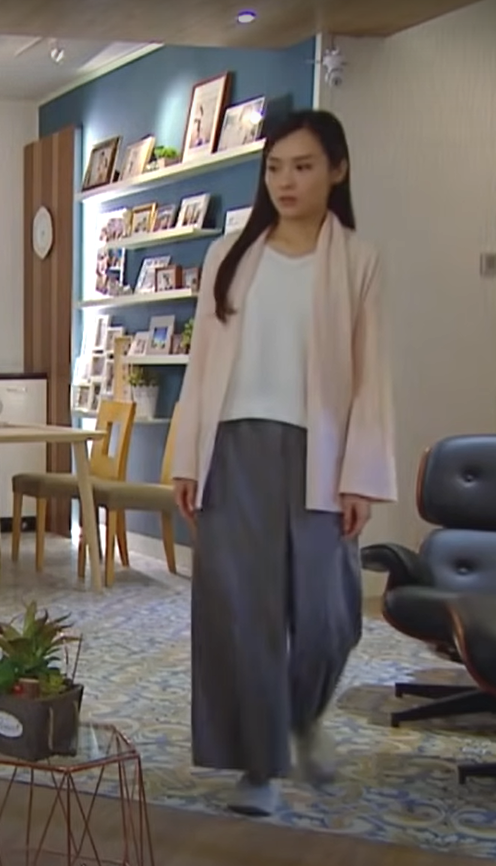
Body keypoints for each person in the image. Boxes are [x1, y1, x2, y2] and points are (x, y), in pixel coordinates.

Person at [170, 110, 396, 817]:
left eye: (302, 166)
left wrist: (361, 475)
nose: (286, 181)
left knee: (330, 615)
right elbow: (199, 367)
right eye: (274, 168)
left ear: (337, 170)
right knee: (244, 615)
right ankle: (258, 768)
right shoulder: (230, 255)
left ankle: (300, 718)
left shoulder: (357, 260)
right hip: (232, 447)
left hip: (319, 454)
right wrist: (186, 459)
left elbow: (371, 374)